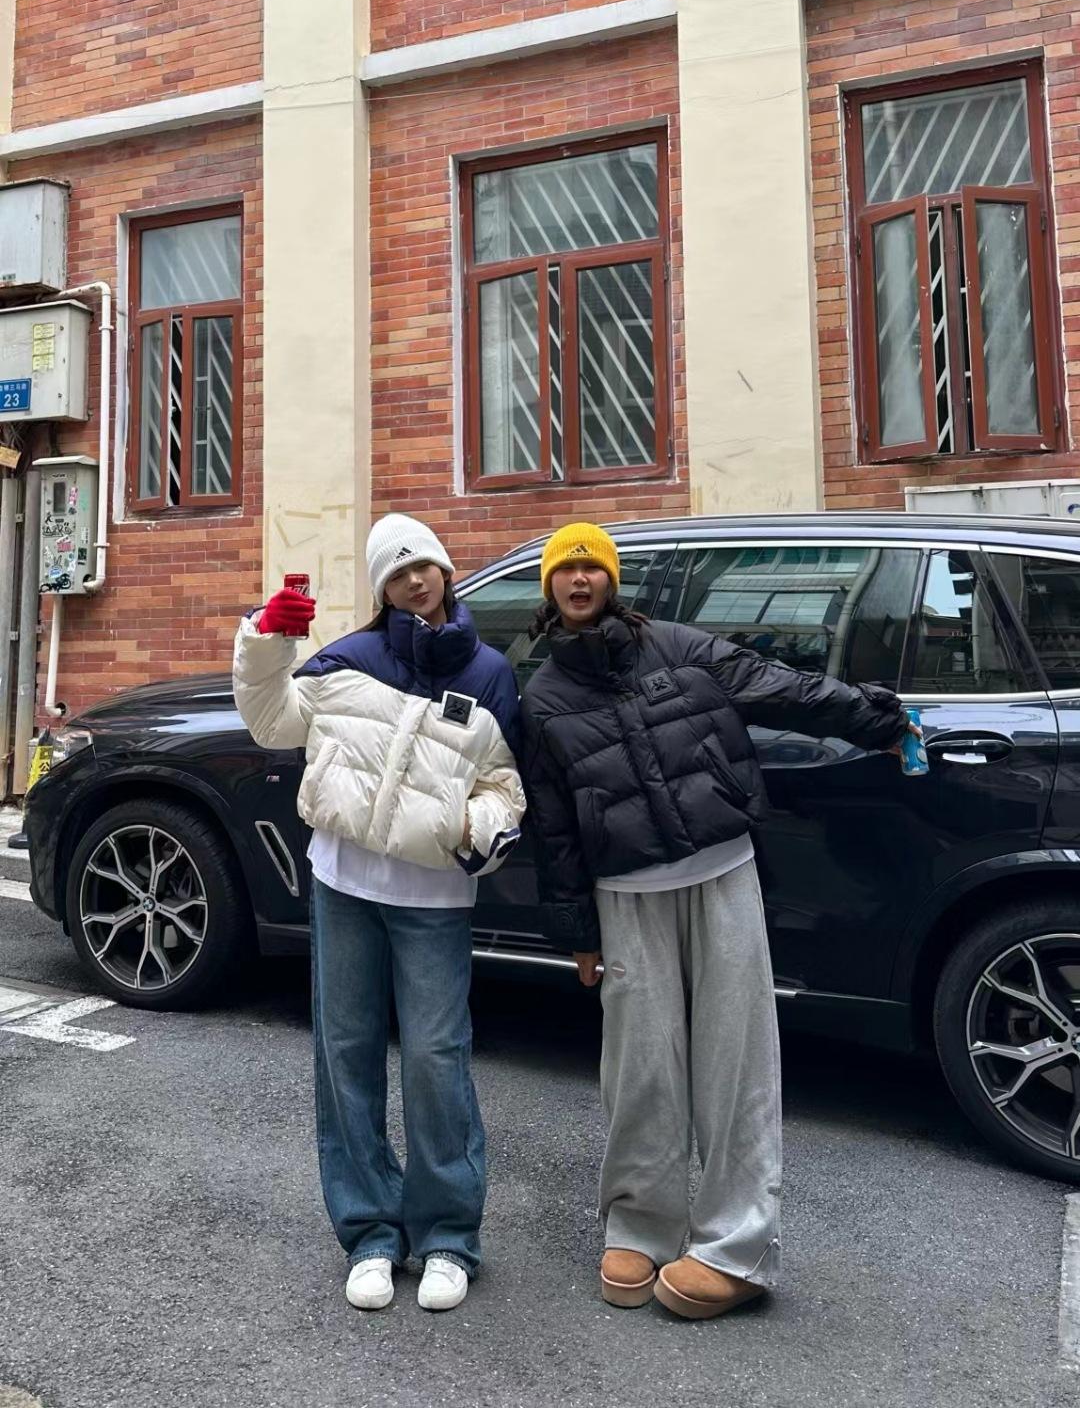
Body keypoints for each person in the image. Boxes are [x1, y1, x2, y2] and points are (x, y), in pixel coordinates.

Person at [520, 523, 912, 1321]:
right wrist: (578, 934)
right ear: (550, 588)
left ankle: (738, 1246)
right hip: (624, 893)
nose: (580, 578)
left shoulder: (677, 645)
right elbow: (552, 825)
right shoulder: (544, 695)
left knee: (738, 1060)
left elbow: (781, 687)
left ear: (612, 580)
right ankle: (640, 1225)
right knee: (640, 1066)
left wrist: (877, 717)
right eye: (566, 569)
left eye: (593, 566)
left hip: (721, 870)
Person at [233, 514, 525, 1314]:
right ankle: (368, 1231)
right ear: (381, 589)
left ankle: (448, 1235)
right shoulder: (347, 660)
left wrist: (476, 827)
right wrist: (267, 641)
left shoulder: (489, 673)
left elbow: (504, 784)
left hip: (434, 897)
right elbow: (271, 718)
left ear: (445, 570)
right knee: (346, 1052)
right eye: (396, 572)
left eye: (424, 563)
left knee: (436, 1057)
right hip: (345, 884)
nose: (415, 580)